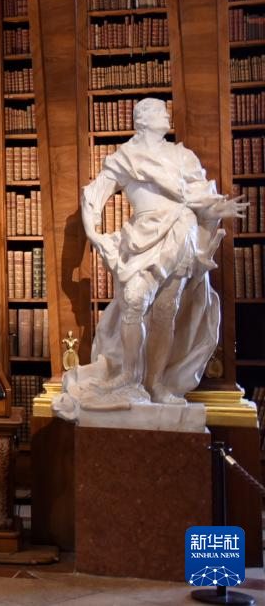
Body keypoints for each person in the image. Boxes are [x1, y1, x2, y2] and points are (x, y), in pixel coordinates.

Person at [80, 97, 245, 404]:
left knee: (166, 310)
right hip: (142, 236)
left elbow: (200, 200)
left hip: (180, 232)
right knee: (134, 301)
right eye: (159, 111)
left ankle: (155, 383)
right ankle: (130, 375)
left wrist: (217, 209)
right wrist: (94, 233)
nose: (167, 115)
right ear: (141, 120)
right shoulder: (125, 157)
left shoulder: (182, 156)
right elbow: (94, 194)